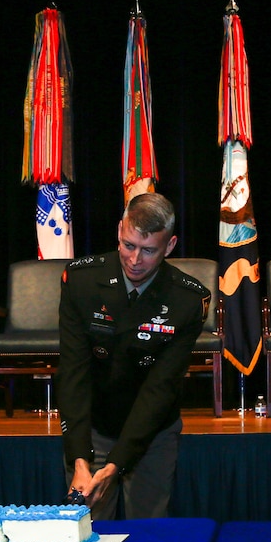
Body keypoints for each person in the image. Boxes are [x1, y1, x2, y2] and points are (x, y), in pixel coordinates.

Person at [58, 192, 210, 520]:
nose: (135, 260)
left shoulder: (187, 300)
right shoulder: (81, 281)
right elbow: (73, 372)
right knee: (88, 529)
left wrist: (117, 464)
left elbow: (160, 389)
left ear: (169, 247)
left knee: (149, 532)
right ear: (119, 231)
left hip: (153, 429)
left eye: (149, 250)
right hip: (94, 425)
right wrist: (81, 459)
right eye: (128, 245)